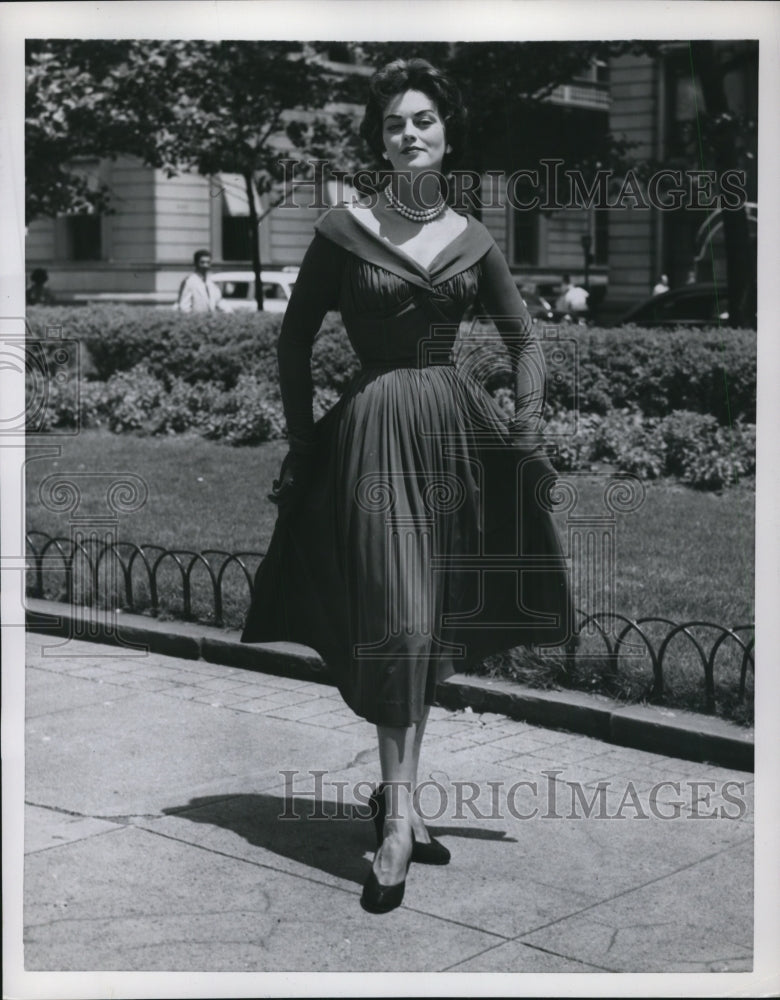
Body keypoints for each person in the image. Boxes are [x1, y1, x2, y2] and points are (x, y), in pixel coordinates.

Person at [241, 58, 572, 914]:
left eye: (423, 119)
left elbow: (524, 339)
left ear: (446, 135)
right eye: (395, 124)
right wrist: (306, 441)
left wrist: (525, 427)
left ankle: (400, 800)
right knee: (401, 620)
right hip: (375, 436)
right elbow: (294, 341)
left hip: (455, 438)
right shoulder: (343, 228)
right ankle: (395, 828)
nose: (410, 133)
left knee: (426, 627)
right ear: (380, 142)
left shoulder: (473, 235)